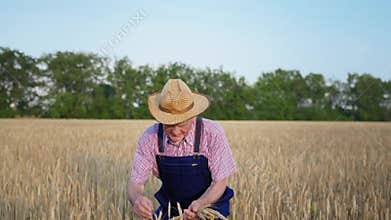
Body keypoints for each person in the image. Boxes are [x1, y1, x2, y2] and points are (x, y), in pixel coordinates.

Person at [127, 79, 237, 220]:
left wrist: (200, 204)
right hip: (172, 210)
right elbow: (135, 183)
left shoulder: (212, 132)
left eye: (181, 124)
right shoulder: (150, 137)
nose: (175, 131)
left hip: (209, 208)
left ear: (192, 116)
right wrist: (137, 199)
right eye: (169, 124)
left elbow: (220, 182)